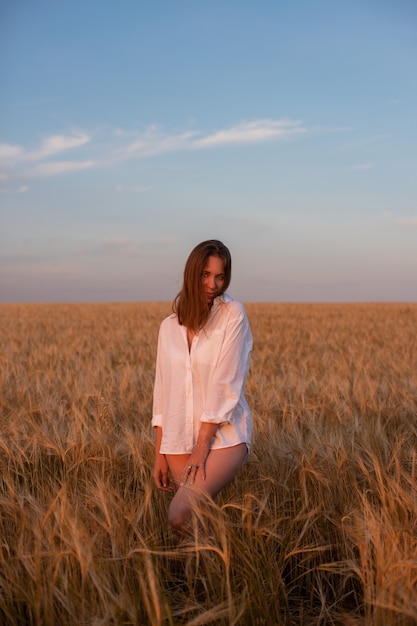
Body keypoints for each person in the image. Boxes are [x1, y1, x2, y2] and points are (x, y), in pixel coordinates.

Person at [152, 239, 253, 533]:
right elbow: (163, 391)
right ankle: (204, 577)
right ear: (192, 273)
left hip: (223, 435)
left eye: (220, 276)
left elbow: (227, 379)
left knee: (179, 515)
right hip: (178, 435)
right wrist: (159, 453)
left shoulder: (232, 314)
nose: (213, 284)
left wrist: (202, 444)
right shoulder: (168, 327)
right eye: (205, 275)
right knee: (196, 527)